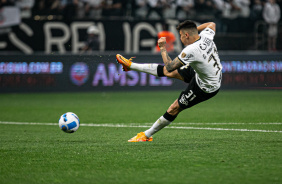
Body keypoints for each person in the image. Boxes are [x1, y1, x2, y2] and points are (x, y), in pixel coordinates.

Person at [116, 20, 222, 142]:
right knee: (168, 73)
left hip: (206, 87)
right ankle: (130, 66)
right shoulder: (206, 36)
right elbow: (212, 24)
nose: (181, 39)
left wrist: (162, 48)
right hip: (207, 73)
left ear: (186, 35)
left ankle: (146, 135)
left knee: (174, 107)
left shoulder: (191, 50)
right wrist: (193, 30)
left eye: (181, 35)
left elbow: (170, 67)